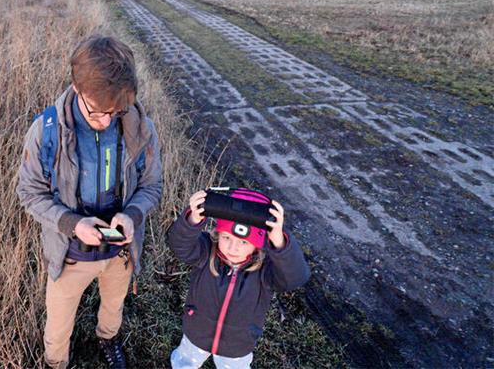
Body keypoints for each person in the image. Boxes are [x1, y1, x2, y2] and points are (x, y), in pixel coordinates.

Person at [17, 36, 163, 369]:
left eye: (117, 112)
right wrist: (72, 224)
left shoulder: (140, 128)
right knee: (58, 323)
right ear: (77, 88)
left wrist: (132, 214)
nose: (108, 121)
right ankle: (56, 362)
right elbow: (29, 193)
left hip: (120, 252)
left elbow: (152, 185)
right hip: (70, 255)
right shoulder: (47, 132)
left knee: (114, 305)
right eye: (99, 113)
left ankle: (108, 338)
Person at [166, 189, 311, 369]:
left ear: (258, 246)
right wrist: (192, 219)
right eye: (226, 237)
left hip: (237, 346)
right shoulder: (205, 252)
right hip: (197, 332)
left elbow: (296, 277)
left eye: (243, 242)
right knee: (186, 361)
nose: (233, 248)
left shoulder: (265, 272)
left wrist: (280, 242)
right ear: (218, 234)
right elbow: (178, 245)